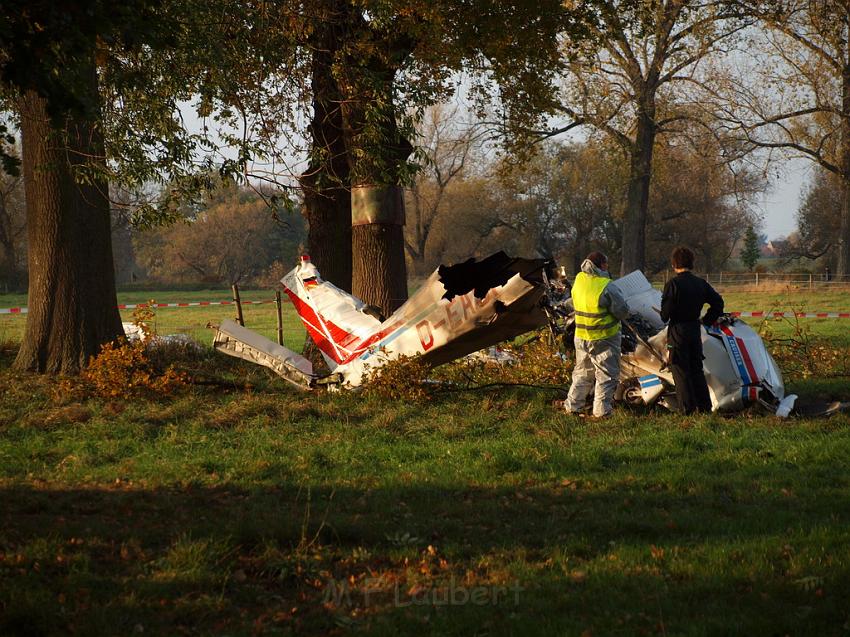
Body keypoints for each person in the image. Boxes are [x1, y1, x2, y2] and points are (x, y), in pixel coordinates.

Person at [562, 251, 630, 418]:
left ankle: (572, 407)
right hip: (604, 337)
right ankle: (601, 413)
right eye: (606, 263)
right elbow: (622, 311)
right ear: (601, 265)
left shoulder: (579, 279)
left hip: (581, 336)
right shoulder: (606, 285)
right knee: (606, 376)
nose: (607, 266)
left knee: (582, 373)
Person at [660, 246, 724, 415]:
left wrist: (666, 309)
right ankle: (704, 407)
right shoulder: (701, 283)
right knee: (696, 369)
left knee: (680, 371)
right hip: (695, 329)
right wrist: (707, 320)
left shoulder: (673, 284)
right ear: (691, 263)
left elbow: (665, 316)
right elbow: (718, 303)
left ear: (674, 264)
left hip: (677, 331)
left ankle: (687, 410)